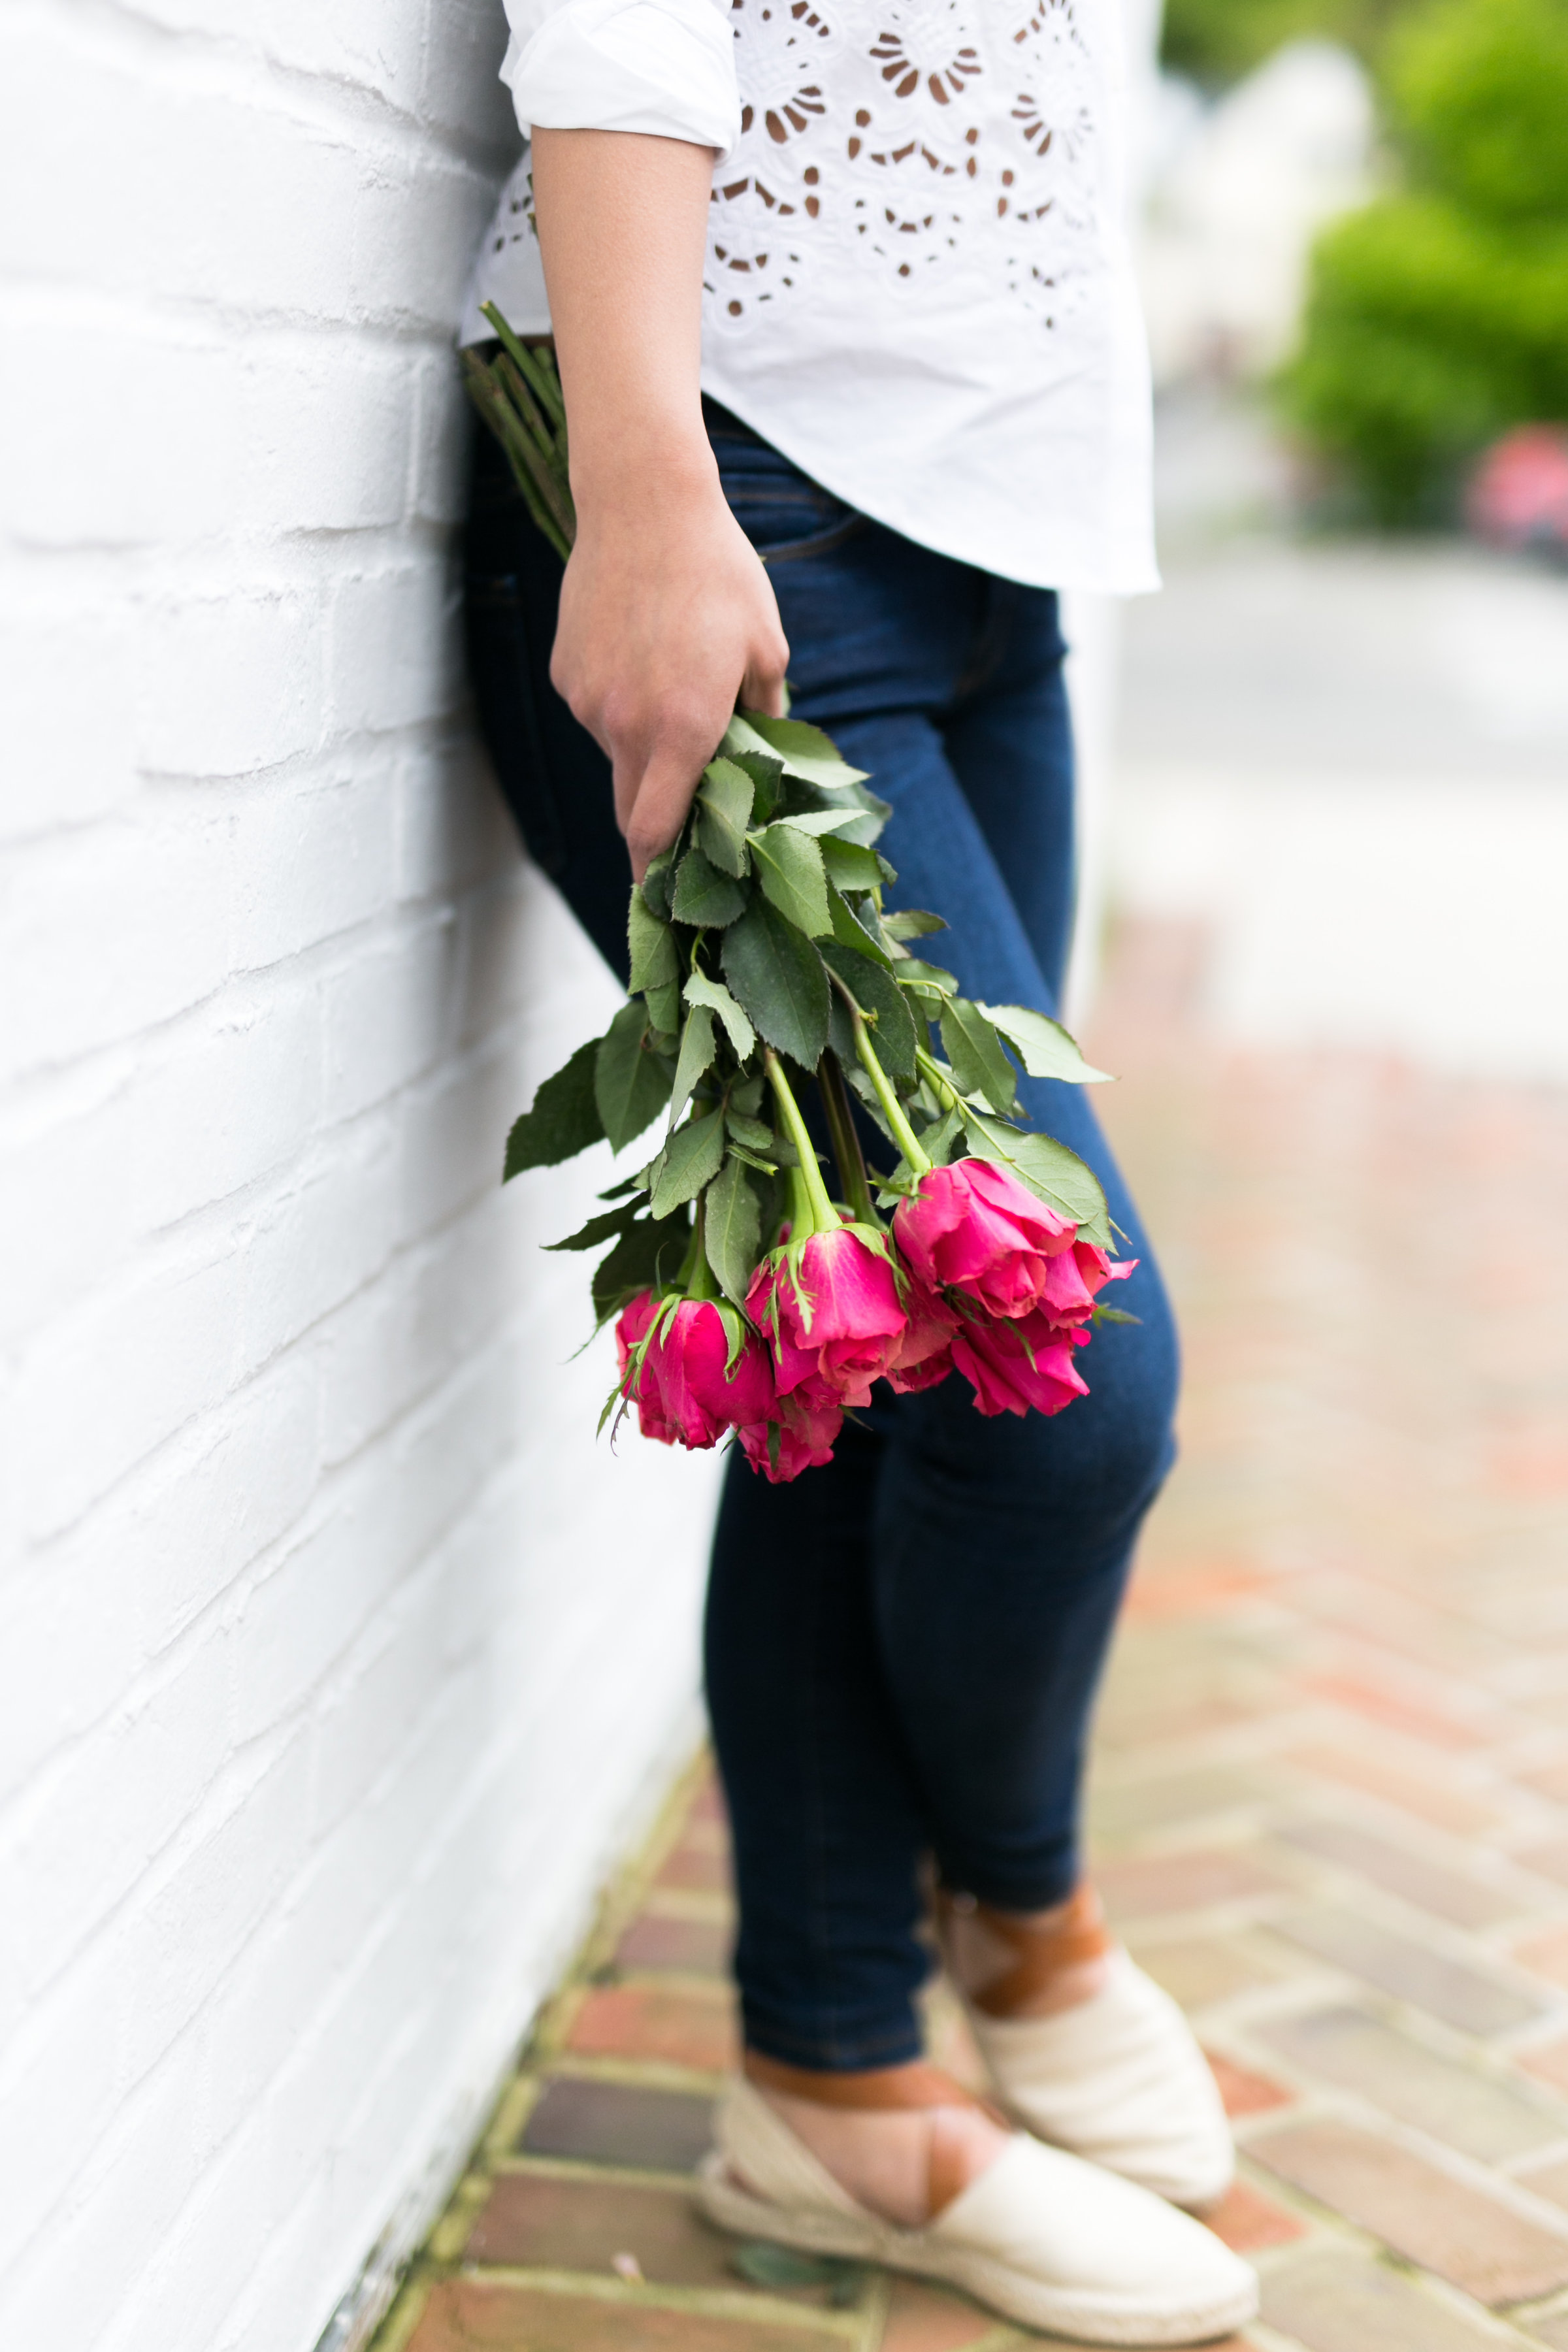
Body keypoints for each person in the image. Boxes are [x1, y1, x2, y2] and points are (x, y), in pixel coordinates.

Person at [459, 1, 1258, 2338]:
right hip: (731, 500)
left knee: (899, 1346)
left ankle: (830, 2076)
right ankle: (1022, 1908)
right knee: (1063, 1371)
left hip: (994, 539)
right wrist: (639, 492)